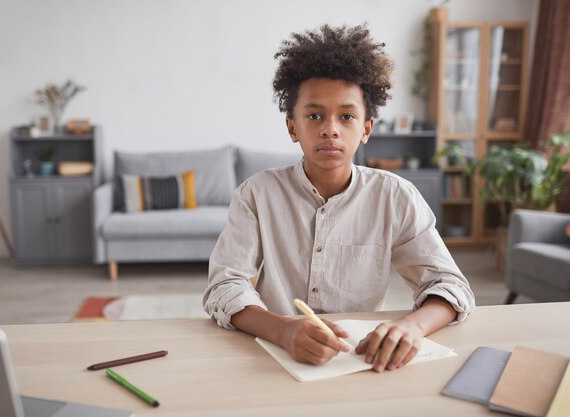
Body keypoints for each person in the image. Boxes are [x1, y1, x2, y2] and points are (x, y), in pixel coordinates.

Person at [203, 24, 475, 373]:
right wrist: (283, 330)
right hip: (275, 354)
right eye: (314, 115)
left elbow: (451, 286)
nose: (330, 129)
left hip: (358, 360)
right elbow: (224, 287)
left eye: (346, 116)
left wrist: (412, 326)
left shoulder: (395, 196)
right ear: (293, 128)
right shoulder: (256, 194)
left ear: (365, 129)